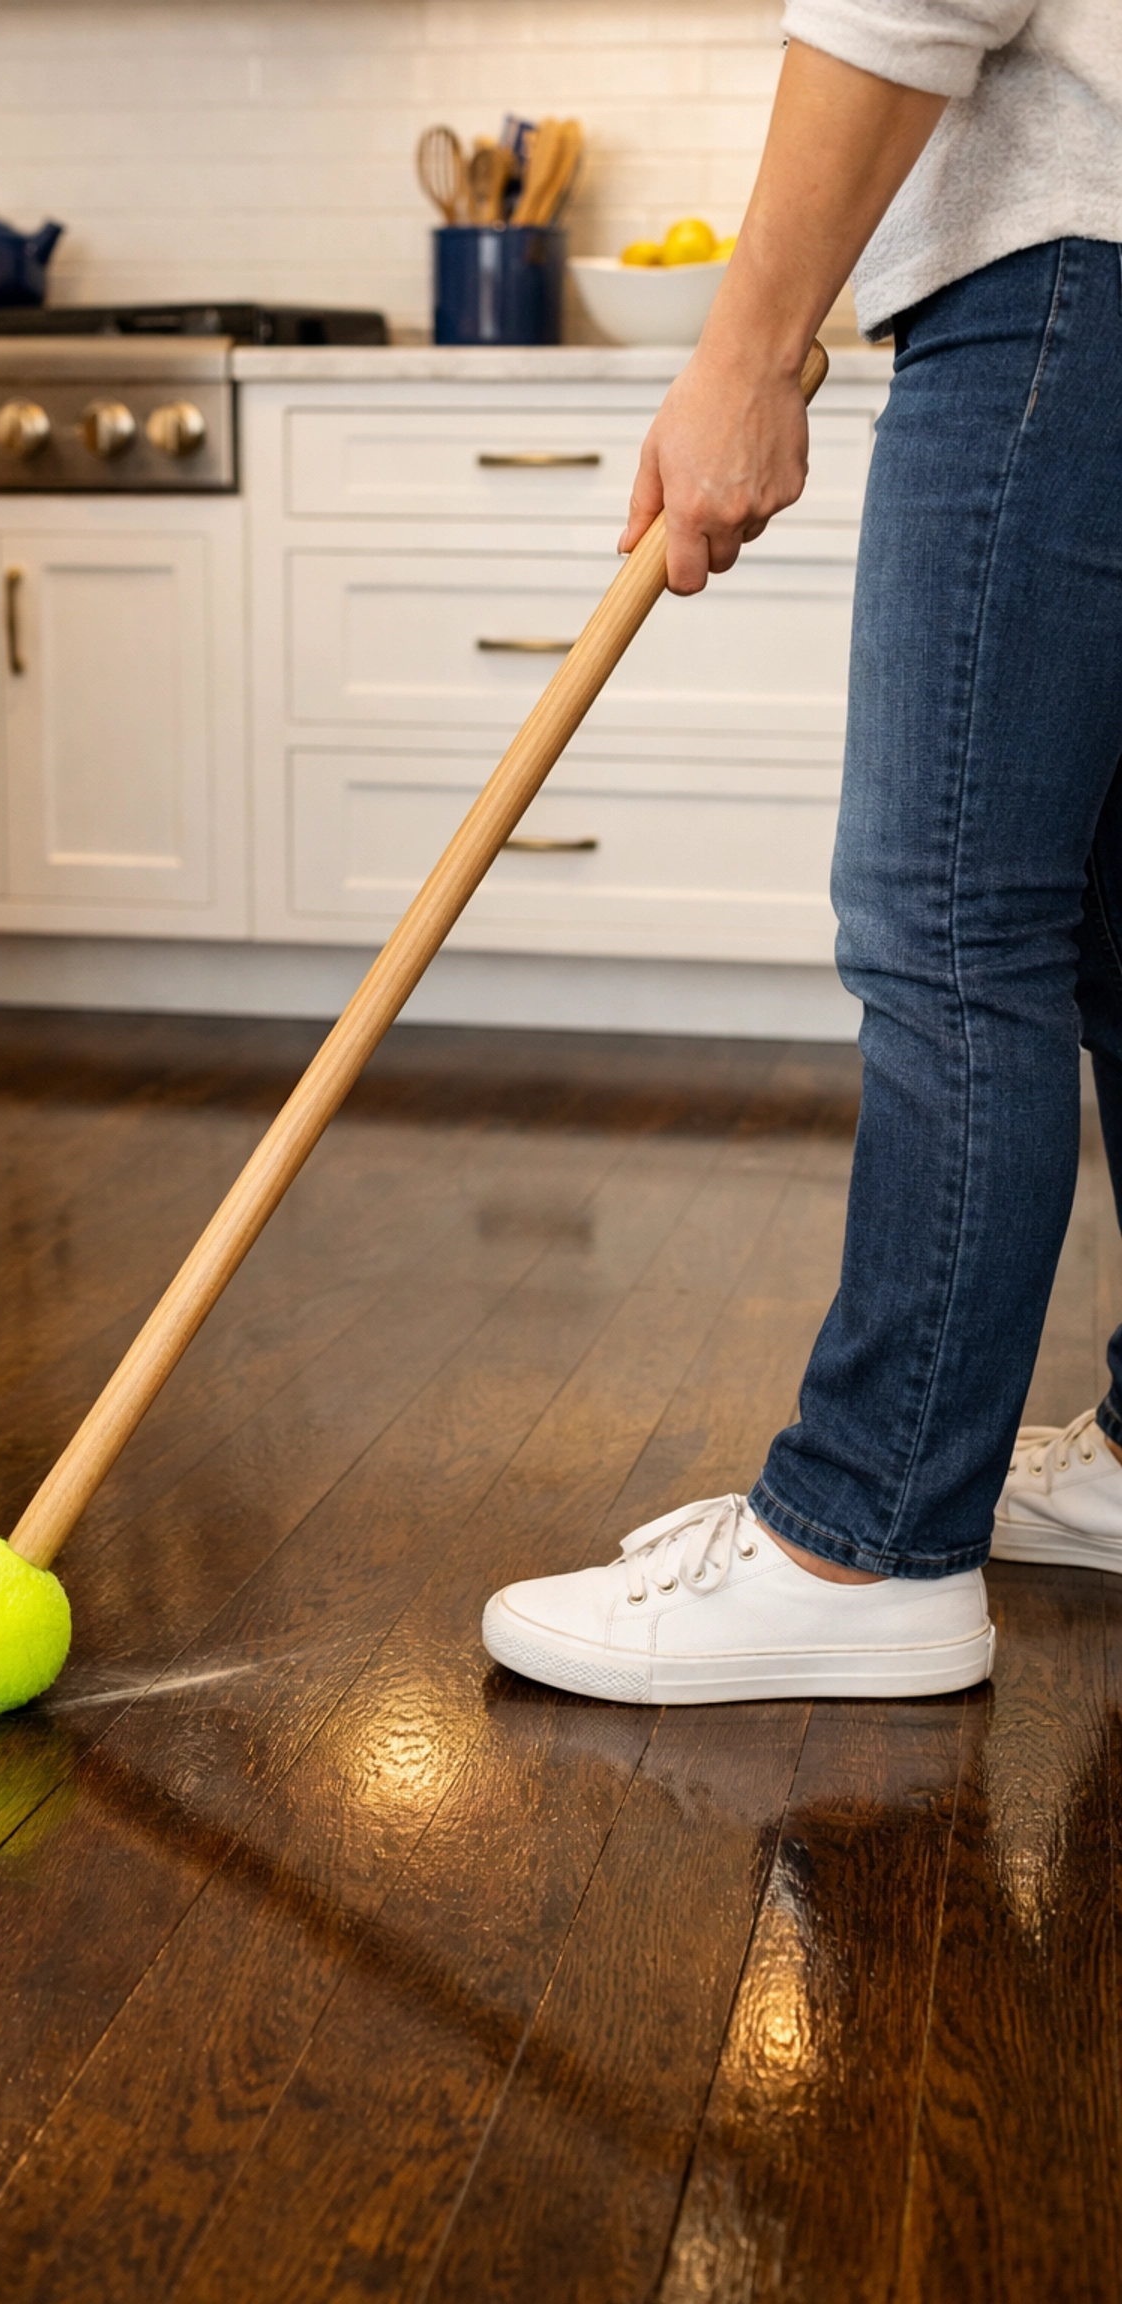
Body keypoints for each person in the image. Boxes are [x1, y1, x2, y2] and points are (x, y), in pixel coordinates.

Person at [483, 0, 1122, 1705]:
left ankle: (872, 1538)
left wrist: (750, 351)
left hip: (1064, 287)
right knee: (1113, 934)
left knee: (952, 928)